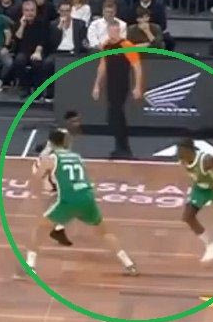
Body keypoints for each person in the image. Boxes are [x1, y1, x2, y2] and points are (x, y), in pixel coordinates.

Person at [25, 128, 138, 275]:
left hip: (68, 200)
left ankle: (30, 265)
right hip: (87, 197)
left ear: (51, 143)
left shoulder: (50, 159)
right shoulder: (77, 157)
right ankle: (129, 264)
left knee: (39, 229)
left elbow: (36, 178)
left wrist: (38, 195)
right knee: (105, 233)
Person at [91, 19, 142, 158]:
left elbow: (137, 67)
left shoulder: (126, 45)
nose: (113, 33)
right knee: (113, 115)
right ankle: (120, 146)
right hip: (110, 84)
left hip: (122, 84)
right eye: (111, 31)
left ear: (119, 31)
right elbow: (102, 65)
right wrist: (97, 85)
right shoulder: (106, 46)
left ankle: (124, 148)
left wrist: (137, 86)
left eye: (116, 31)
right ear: (108, 31)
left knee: (117, 113)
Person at [33, 111, 82, 247]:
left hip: (51, 166)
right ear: (68, 122)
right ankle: (53, 227)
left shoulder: (65, 134)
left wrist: (42, 146)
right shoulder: (64, 135)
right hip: (47, 167)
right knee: (61, 197)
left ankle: (57, 228)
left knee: (59, 198)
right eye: (74, 121)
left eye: (78, 121)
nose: (77, 124)